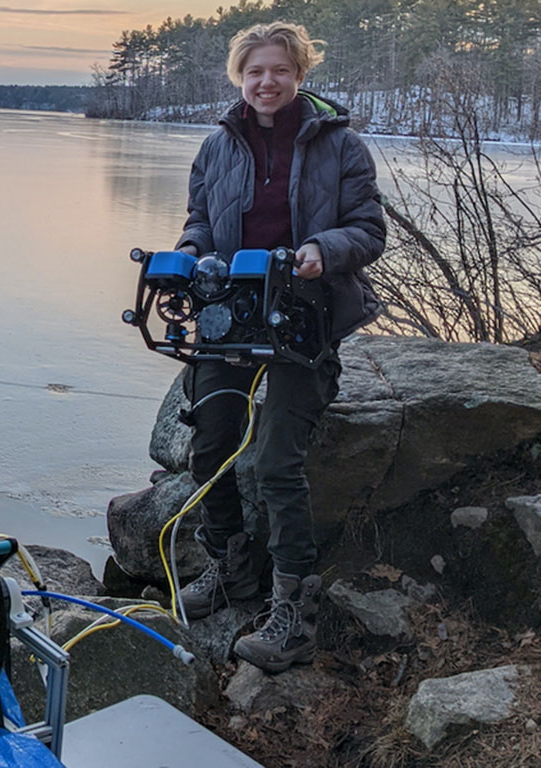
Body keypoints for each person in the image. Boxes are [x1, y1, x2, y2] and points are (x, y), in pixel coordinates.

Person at [172, 21, 385, 673]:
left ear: (300, 75)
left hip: (306, 319)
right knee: (209, 443)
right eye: (255, 71)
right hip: (231, 316)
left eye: (280, 71)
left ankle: (293, 610)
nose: (267, 82)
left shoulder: (341, 145)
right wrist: (186, 255)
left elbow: (369, 229)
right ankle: (229, 569)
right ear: (241, 76)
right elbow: (201, 221)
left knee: (273, 462)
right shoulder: (216, 146)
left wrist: (324, 249)